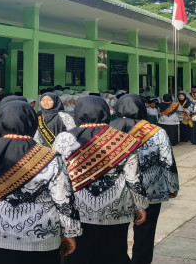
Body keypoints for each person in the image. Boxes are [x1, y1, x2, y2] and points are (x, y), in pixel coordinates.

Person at [0, 100, 80, 263]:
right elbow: (63, 198)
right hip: (39, 240)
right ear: (33, 123)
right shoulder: (50, 157)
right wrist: (69, 233)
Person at [53, 96, 147, 263]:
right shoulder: (123, 139)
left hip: (78, 209)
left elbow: (58, 177)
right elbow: (133, 177)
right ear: (105, 112)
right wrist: (140, 206)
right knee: (113, 255)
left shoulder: (64, 138)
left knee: (77, 256)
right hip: (116, 209)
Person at [109, 95, 179, 264]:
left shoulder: (109, 130)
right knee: (146, 231)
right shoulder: (156, 131)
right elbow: (167, 161)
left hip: (117, 191)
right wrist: (172, 186)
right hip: (151, 189)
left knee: (116, 232)